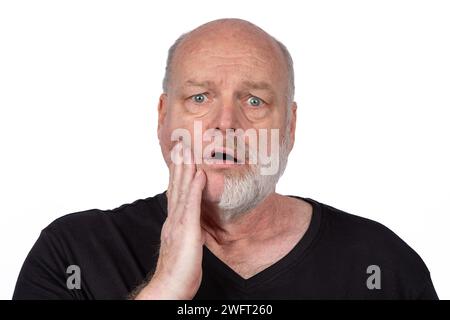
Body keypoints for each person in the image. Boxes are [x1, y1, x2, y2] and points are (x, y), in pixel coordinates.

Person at [13, 18, 438, 300]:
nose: (225, 123)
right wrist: (166, 286)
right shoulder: (72, 253)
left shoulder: (381, 264)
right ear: (164, 117)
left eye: (254, 100)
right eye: (200, 98)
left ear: (289, 126)